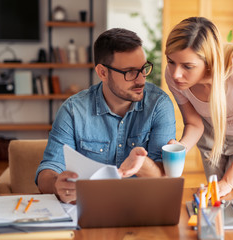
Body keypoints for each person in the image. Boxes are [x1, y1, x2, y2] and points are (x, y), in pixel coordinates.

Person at [36, 28, 176, 203]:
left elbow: (165, 177)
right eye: (130, 72)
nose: (141, 80)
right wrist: (58, 184)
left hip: (140, 205)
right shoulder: (73, 110)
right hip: (88, 207)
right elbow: (47, 171)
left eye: (143, 69)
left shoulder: (158, 105)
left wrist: (140, 164)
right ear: (102, 72)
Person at [165, 17, 233, 196]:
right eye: (171, 61)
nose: (176, 74)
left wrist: (228, 182)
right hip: (212, 138)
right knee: (215, 199)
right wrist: (180, 149)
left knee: (230, 197)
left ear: (209, 61)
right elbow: (194, 124)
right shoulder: (173, 76)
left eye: (188, 66)